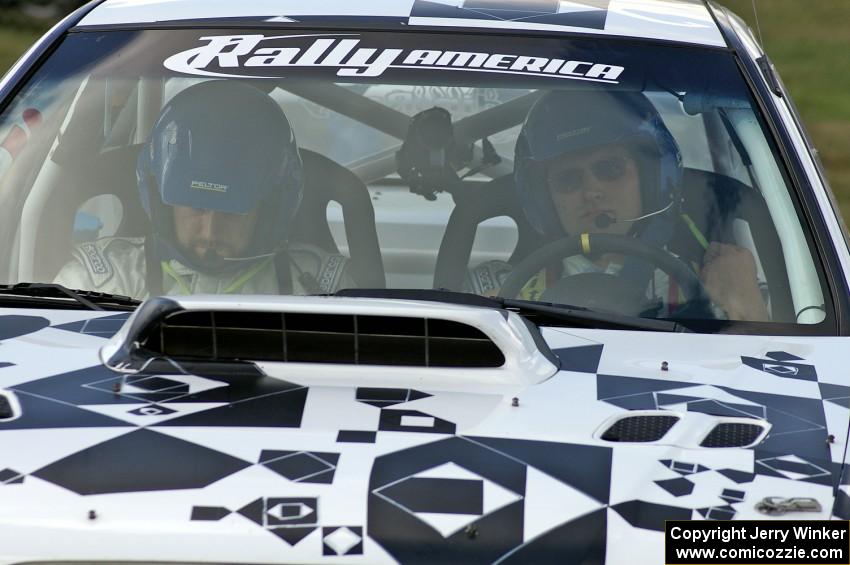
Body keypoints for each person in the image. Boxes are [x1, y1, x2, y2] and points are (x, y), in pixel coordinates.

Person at [467, 89, 770, 321]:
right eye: (569, 180)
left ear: (649, 178)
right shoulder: (500, 287)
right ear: (547, 199)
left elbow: (772, 383)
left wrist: (746, 305)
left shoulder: (718, 283)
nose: (591, 191)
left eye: (609, 169)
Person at [55, 81, 354, 299]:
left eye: (232, 212)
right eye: (195, 207)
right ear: (161, 200)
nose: (210, 231)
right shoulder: (99, 281)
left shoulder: (325, 288)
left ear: (271, 207)